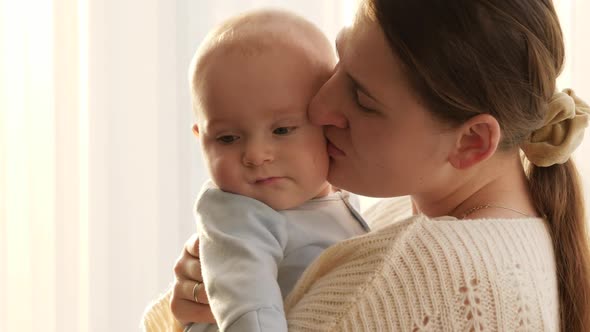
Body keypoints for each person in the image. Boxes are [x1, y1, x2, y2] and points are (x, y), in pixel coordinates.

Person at [145, 0, 590, 330]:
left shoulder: (413, 272)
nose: (318, 106)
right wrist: (199, 298)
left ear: (472, 142)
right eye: (339, 63)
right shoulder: (421, 215)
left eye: (361, 98)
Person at [143, 9, 369, 332]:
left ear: (325, 119)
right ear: (200, 138)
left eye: (282, 130)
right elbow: (249, 308)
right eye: (228, 138)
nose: (255, 155)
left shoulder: (334, 197)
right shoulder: (239, 216)